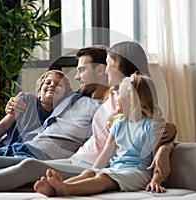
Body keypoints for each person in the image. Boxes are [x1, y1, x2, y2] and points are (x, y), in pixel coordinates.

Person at [0, 42, 175, 199]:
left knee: (26, 166)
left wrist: (165, 146)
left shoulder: (128, 100)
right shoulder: (106, 95)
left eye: (109, 67)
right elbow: (49, 107)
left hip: (93, 168)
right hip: (78, 161)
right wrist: (19, 105)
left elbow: (156, 126)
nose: (105, 71)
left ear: (123, 68)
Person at [34, 73, 163, 196]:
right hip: (116, 168)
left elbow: (158, 160)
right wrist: (92, 171)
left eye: (120, 94)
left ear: (134, 99)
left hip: (137, 173)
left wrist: (155, 180)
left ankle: (67, 189)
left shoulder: (152, 126)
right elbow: (106, 154)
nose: (116, 97)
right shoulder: (119, 123)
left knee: (103, 178)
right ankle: (57, 187)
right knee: (89, 173)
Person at [0, 70, 72, 149]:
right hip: (4, 148)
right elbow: (4, 125)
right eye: (48, 83)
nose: (52, 85)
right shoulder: (27, 100)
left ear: (65, 96)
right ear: (39, 92)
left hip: (23, 154)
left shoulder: (61, 115)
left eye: (58, 84)